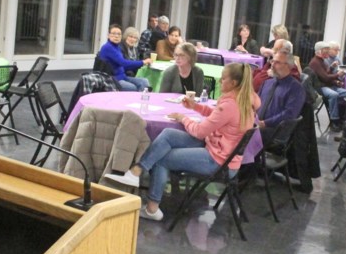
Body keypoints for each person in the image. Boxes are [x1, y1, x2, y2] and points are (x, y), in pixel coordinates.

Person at [104, 63, 260, 221]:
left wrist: (183, 118)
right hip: (220, 150)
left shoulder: (230, 105)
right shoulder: (244, 100)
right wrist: (196, 107)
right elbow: (218, 116)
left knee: (161, 159)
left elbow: (200, 131)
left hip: (219, 161)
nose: (220, 82)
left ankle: (152, 208)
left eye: (223, 79)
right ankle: (136, 171)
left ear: (233, 83)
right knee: (168, 133)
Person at [256, 46, 306, 147]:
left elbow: (289, 114)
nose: (272, 65)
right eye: (272, 61)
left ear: (288, 66)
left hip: (275, 132)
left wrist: (265, 123)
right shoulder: (267, 83)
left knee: (242, 136)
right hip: (258, 126)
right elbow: (256, 104)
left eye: (277, 62)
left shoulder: (296, 88)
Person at [97, 24, 152, 92]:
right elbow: (123, 63)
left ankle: (141, 101)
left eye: (119, 34)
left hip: (122, 76)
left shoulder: (116, 47)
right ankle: (133, 101)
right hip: (112, 79)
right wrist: (142, 62)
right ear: (108, 35)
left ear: (121, 36)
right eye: (113, 33)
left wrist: (140, 64)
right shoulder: (108, 47)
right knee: (132, 88)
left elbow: (122, 66)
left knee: (144, 82)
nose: (116, 36)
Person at [309, 41, 346, 131]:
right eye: (325, 50)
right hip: (319, 88)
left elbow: (326, 74)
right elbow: (325, 78)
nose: (327, 52)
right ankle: (334, 120)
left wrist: (331, 68)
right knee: (333, 95)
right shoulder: (315, 62)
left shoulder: (322, 61)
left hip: (327, 85)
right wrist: (338, 75)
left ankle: (344, 118)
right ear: (319, 51)